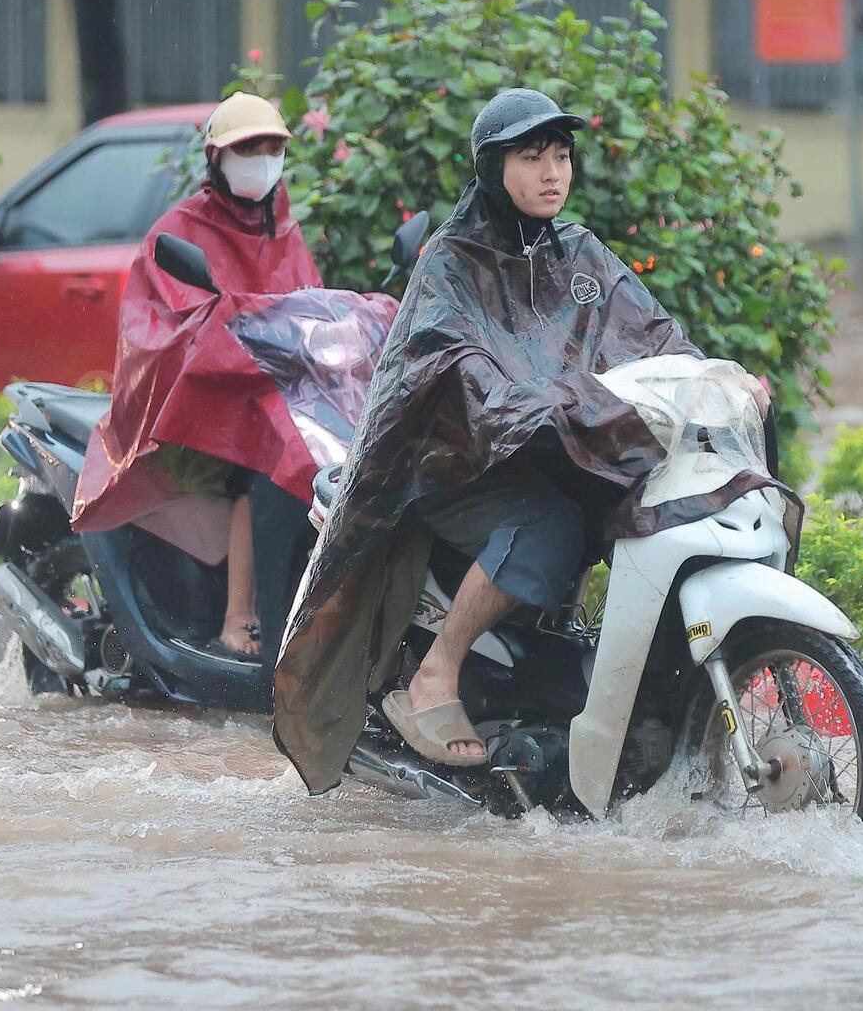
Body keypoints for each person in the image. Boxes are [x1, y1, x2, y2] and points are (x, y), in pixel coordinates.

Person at [272, 88, 775, 789]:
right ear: (492, 167)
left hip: (556, 448)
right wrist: (520, 405)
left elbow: (654, 337)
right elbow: (451, 365)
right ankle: (434, 674)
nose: (552, 173)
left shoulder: (580, 254)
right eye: (532, 157)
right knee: (551, 529)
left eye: (562, 156)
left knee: (650, 504)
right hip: (455, 467)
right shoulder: (452, 261)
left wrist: (716, 382)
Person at [71, 92, 325, 659]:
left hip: (278, 399)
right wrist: (235, 338)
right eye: (247, 148)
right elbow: (163, 332)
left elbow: (309, 306)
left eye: (271, 148)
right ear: (216, 158)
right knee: (266, 463)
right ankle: (242, 618)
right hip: (198, 408)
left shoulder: (283, 229)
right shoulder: (180, 230)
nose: (261, 159)